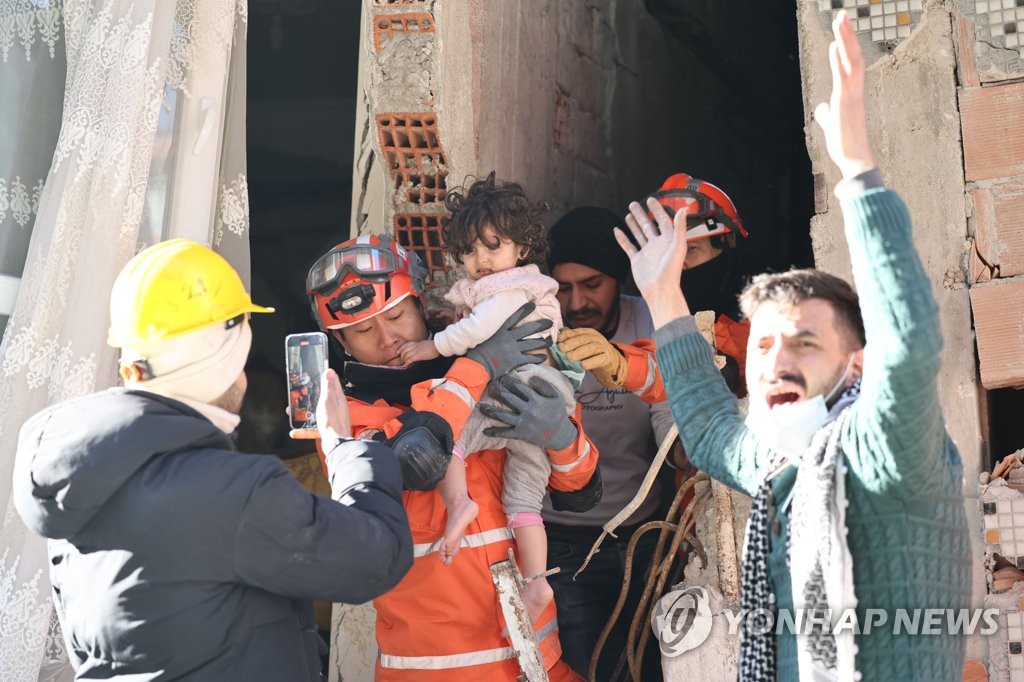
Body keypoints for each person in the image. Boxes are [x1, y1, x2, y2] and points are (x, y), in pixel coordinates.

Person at [616, 11, 971, 681]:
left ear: (856, 364)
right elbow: (710, 427)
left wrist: (858, 170)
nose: (775, 360)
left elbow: (912, 342)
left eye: (805, 344)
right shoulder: (781, 464)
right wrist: (663, 295)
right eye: (767, 344)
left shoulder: (888, 450)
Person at [12, 239, 413, 681]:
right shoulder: (234, 492)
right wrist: (346, 448)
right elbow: (377, 560)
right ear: (220, 354)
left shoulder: (71, 474)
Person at [306, 233, 602, 681]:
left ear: (421, 306)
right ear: (341, 342)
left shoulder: (491, 361)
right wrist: (479, 367)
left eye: (398, 316)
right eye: (364, 331)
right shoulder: (344, 416)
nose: (388, 338)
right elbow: (418, 459)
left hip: (536, 663)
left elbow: (580, 493)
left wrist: (560, 436)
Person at [396, 172, 577, 624]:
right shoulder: (526, 287)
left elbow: (476, 331)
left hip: (513, 390)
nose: (481, 260)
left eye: (492, 246)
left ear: (523, 247)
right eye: (470, 251)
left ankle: (459, 502)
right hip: (544, 400)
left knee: (448, 439)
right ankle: (537, 583)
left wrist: (430, 346)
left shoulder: (509, 288)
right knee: (525, 501)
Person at [544, 206, 676, 680]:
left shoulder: (652, 323)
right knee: (585, 669)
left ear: (618, 278)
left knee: (654, 666)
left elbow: (672, 431)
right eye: (563, 286)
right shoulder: (540, 331)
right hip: (559, 544)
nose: (577, 302)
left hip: (642, 536)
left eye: (592, 283)